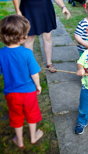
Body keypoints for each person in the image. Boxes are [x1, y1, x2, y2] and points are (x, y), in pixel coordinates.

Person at [12, 0, 71, 73]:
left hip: (44, 8)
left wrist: (63, 7)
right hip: (27, 8)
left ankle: (49, 63)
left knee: (47, 36)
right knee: (29, 38)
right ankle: (29, 65)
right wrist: (18, 11)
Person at [0, 14, 43, 147]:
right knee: (31, 113)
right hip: (29, 92)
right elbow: (35, 74)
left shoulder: (1, 54)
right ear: (23, 36)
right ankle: (33, 136)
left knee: (16, 115)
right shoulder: (27, 53)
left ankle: (19, 141)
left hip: (11, 94)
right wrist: (38, 86)